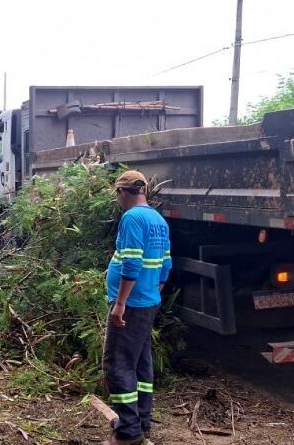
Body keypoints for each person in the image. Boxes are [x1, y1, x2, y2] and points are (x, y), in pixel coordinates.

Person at [102, 170, 172, 445]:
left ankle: (129, 431)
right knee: (141, 364)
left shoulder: (132, 218)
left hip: (130, 304)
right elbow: (166, 262)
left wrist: (120, 303)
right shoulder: (157, 219)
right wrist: (154, 290)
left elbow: (131, 262)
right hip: (148, 302)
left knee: (118, 364)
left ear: (122, 192)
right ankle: (141, 422)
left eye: (117, 194)